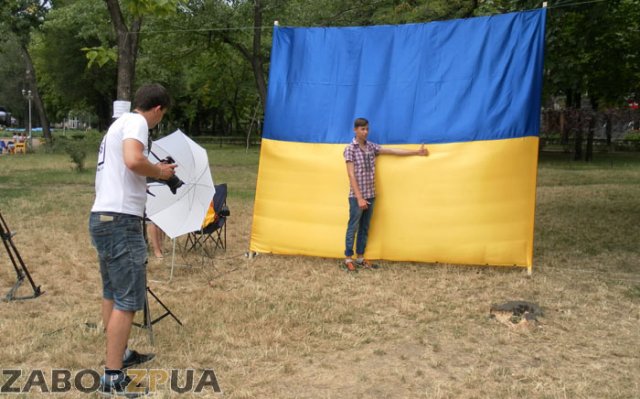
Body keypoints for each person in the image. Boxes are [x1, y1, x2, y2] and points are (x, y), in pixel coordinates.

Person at [89, 83, 176, 397]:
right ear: (156, 109)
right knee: (128, 300)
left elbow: (127, 166)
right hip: (121, 222)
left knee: (112, 291)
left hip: (103, 217)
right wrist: (161, 172)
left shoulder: (119, 124)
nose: (157, 122)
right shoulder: (138, 123)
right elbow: (132, 160)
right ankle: (112, 377)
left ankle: (120, 354)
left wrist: (154, 171)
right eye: (161, 117)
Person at [343, 117, 428, 271]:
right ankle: (348, 258)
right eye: (362, 129)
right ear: (355, 130)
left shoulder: (371, 147)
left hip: (371, 194)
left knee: (364, 227)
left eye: (367, 129)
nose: (366, 132)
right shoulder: (350, 149)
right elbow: (351, 175)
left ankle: (360, 258)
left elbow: (392, 151)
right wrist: (359, 197)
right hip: (357, 197)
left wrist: (416, 152)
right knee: (353, 226)